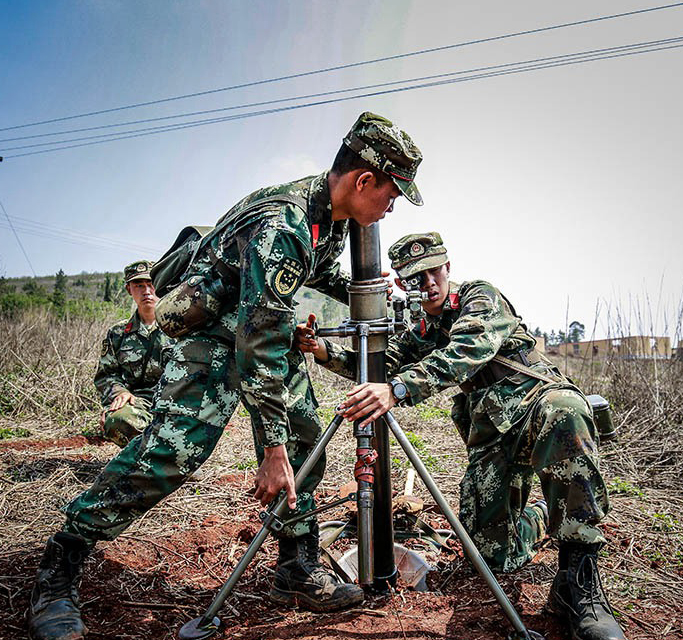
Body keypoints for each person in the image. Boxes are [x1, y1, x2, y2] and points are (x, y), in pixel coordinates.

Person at [28, 112, 424, 640]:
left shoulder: (327, 218)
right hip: (211, 335)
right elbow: (257, 343)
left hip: (257, 323)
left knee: (307, 439)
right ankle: (61, 565)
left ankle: (297, 566)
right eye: (393, 194)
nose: (392, 207)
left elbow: (308, 277)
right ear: (364, 181)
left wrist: (375, 288)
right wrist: (270, 451)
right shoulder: (285, 222)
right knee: (173, 452)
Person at [297, 232, 626, 640]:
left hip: (537, 407)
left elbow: (467, 350)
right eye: (415, 277)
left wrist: (398, 390)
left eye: (433, 271)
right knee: (489, 556)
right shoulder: (424, 327)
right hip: (494, 436)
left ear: (447, 267)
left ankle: (579, 580)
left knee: (567, 413)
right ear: (401, 284)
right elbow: (384, 364)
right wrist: (323, 352)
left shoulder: (479, 297)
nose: (428, 283)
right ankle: (541, 515)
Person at [93, 260, 172, 446]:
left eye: (151, 284)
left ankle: (176, 459)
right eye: (139, 285)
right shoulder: (118, 333)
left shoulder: (180, 328)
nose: (146, 291)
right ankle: (152, 458)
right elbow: (106, 375)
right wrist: (119, 393)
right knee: (116, 422)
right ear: (129, 289)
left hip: (174, 403)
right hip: (138, 403)